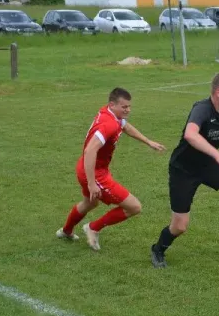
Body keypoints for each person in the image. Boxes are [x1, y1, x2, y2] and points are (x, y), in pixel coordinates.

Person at [150, 73, 219, 268]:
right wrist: (218, 155)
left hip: (208, 166)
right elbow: (191, 135)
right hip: (183, 170)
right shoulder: (202, 109)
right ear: (218, 92)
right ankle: (158, 249)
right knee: (180, 226)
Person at [56, 87, 166, 250]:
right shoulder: (109, 125)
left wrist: (148, 141)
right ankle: (93, 228)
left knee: (90, 203)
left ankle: (66, 231)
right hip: (95, 173)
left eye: (129, 106)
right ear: (112, 104)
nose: (128, 110)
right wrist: (92, 183)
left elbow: (126, 126)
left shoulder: (109, 114)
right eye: (124, 107)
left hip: (84, 167)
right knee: (134, 207)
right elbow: (90, 150)